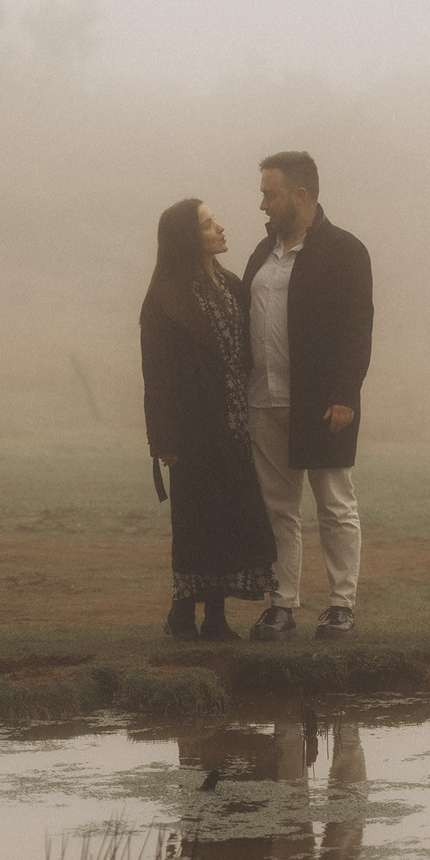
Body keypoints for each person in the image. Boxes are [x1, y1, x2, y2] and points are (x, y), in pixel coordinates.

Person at [240, 150, 373, 641]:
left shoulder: (345, 251)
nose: (262, 205)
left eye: (269, 195)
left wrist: (345, 395)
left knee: (335, 502)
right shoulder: (261, 254)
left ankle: (341, 605)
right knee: (278, 506)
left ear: (299, 195)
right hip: (264, 400)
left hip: (322, 404)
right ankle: (283, 604)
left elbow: (357, 330)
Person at [141, 198, 276, 639]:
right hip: (191, 430)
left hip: (233, 426)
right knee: (193, 520)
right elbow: (156, 373)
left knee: (226, 519)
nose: (219, 228)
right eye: (207, 224)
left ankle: (215, 618)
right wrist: (163, 437)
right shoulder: (165, 297)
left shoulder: (232, 286)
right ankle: (181, 613)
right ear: (187, 238)